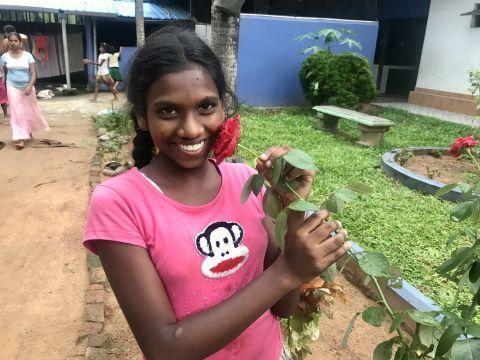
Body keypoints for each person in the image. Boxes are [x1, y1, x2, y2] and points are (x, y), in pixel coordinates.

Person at [83, 27, 350, 360]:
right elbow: (163, 348)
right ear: (141, 116)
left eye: (206, 106)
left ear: (223, 107)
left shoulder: (244, 181)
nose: (192, 128)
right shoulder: (120, 203)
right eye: (168, 111)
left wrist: (292, 205)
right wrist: (289, 271)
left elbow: (283, 305)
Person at [1, 32, 49, 150]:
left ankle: (28, 131)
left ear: (20, 43)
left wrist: (29, 86)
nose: (13, 43)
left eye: (15, 41)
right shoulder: (4, 57)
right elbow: (3, 72)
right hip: (12, 86)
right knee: (17, 111)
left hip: (27, 86)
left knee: (29, 110)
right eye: (10, 41)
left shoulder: (28, 56)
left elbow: (33, 74)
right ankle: (21, 138)